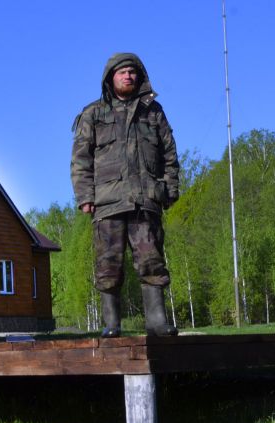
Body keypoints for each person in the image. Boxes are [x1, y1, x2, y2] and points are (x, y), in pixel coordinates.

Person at [71, 52, 179, 337]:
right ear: (111, 78)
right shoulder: (93, 113)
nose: (128, 76)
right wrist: (85, 197)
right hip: (108, 203)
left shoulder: (153, 111)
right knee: (108, 264)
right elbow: (81, 158)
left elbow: (169, 154)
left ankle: (157, 322)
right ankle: (111, 325)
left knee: (152, 261)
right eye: (122, 72)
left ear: (139, 76)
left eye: (132, 72)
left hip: (146, 200)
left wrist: (170, 189)